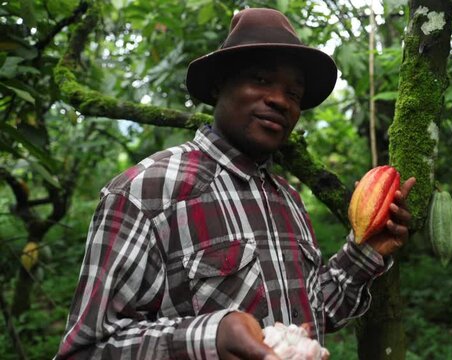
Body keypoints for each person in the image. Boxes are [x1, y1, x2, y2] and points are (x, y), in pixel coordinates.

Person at [56, 7, 416, 360]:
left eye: (293, 93)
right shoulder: (146, 192)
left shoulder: (287, 198)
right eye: (260, 79)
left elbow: (310, 317)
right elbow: (88, 348)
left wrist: (365, 252)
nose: (279, 100)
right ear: (218, 86)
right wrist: (211, 337)